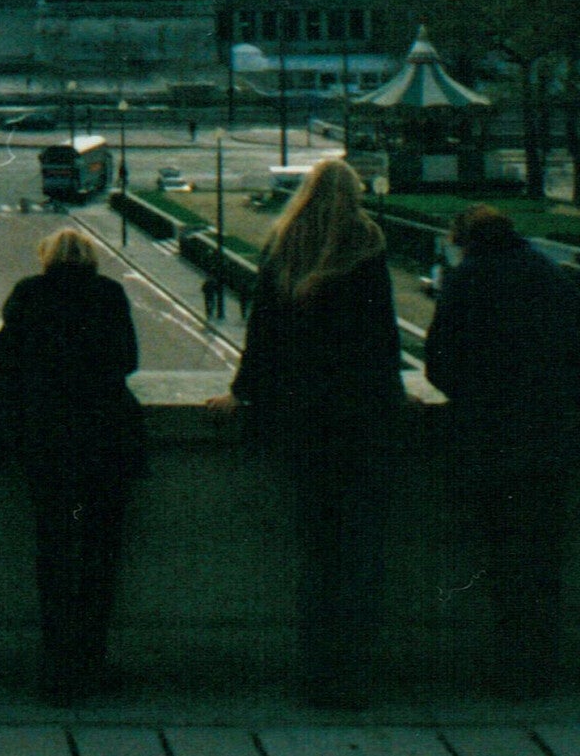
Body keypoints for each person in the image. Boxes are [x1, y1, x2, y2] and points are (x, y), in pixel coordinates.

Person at [209, 157, 405, 709]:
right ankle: (354, 676)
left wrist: (241, 391)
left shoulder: (285, 243)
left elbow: (263, 333)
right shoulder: (366, 245)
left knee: (318, 554)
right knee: (361, 554)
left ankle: (316, 674)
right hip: (360, 419)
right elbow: (382, 335)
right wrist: (393, 391)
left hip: (302, 420)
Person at [0, 227, 145, 701]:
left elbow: (4, 363)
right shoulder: (108, 293)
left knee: (55, 554)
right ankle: (91, 661)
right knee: (98, 558)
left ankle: (57, 667)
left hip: (49, 445)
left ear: (47, 257)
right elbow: (127, 360)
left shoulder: (30, 293)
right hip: (103, 444)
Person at [424, 203, 580, 695]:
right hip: (550, 435)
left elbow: (438, 361)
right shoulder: (551, 275)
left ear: (464, 238)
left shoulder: (467, 279)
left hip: (491, 439)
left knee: (505, 559)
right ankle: (542, 667)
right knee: (542, 558)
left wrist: (476, 397)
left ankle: (514, 668)